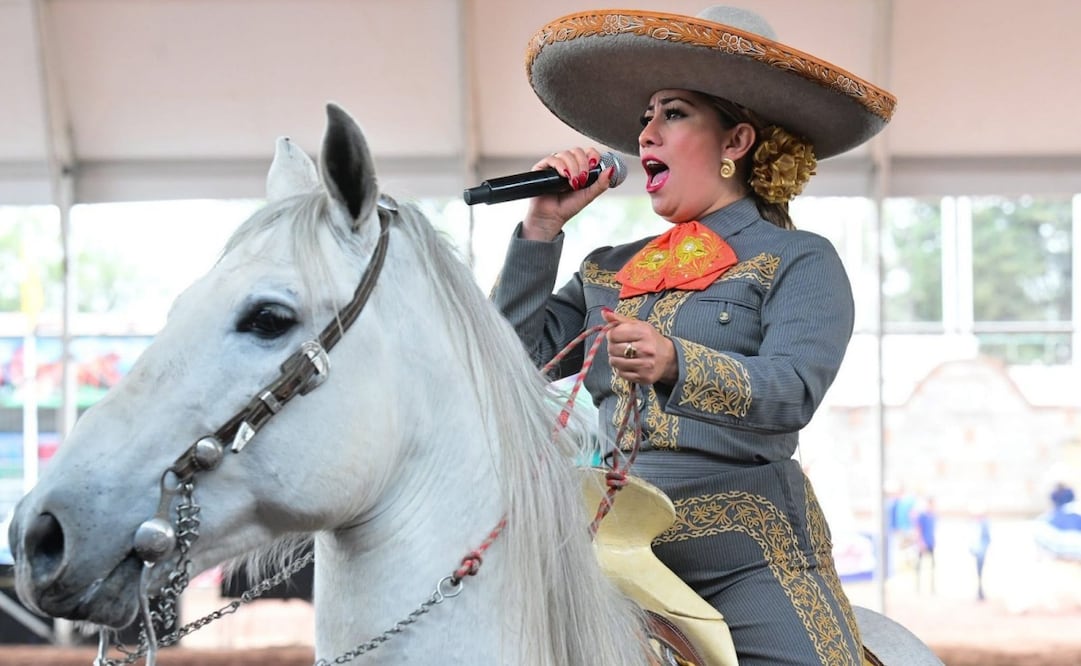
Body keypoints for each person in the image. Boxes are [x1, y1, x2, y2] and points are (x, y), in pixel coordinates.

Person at [491, 5, 895, 666]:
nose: (645, 132)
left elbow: (793, 389)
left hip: (741, 547)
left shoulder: (799, 259)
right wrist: (540, 230)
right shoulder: (607, 266)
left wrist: (678, 362)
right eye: (644, 116)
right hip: (596, 537)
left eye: (672, 113)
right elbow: (509, 363)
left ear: (735, 142)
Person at [914, 496, 937, 594]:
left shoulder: (933, 516)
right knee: (919, 565)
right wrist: (920, 542)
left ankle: (932, 588)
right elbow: (918, 529)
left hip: (931, 543)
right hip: (923, 543)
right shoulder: (922, 515)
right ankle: (918, 587)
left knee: (932, 566)